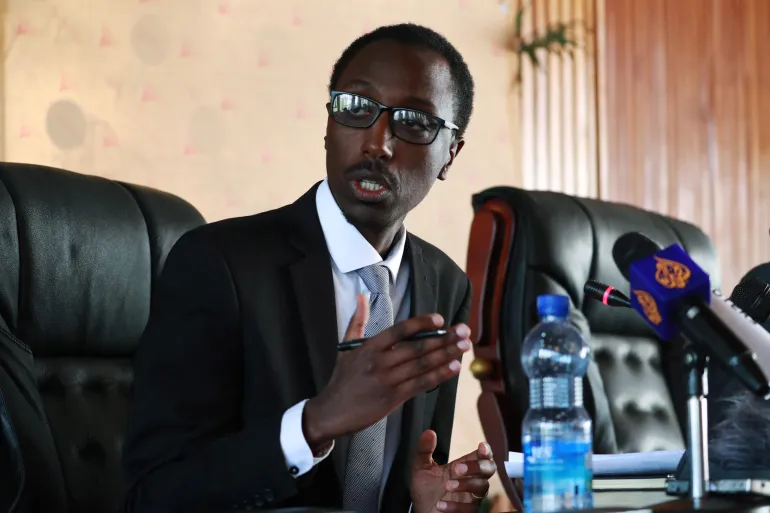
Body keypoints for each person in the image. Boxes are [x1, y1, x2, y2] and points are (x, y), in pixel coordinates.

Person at [122, 22, 496, 513]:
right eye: (356, 107)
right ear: (328, 124)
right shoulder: (220, 264)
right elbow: (153, 494)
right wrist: (313, 424)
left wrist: (421, 502)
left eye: (414, 121)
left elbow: (414, 468)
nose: (377, 144)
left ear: (450, 154)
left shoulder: (446, 285)